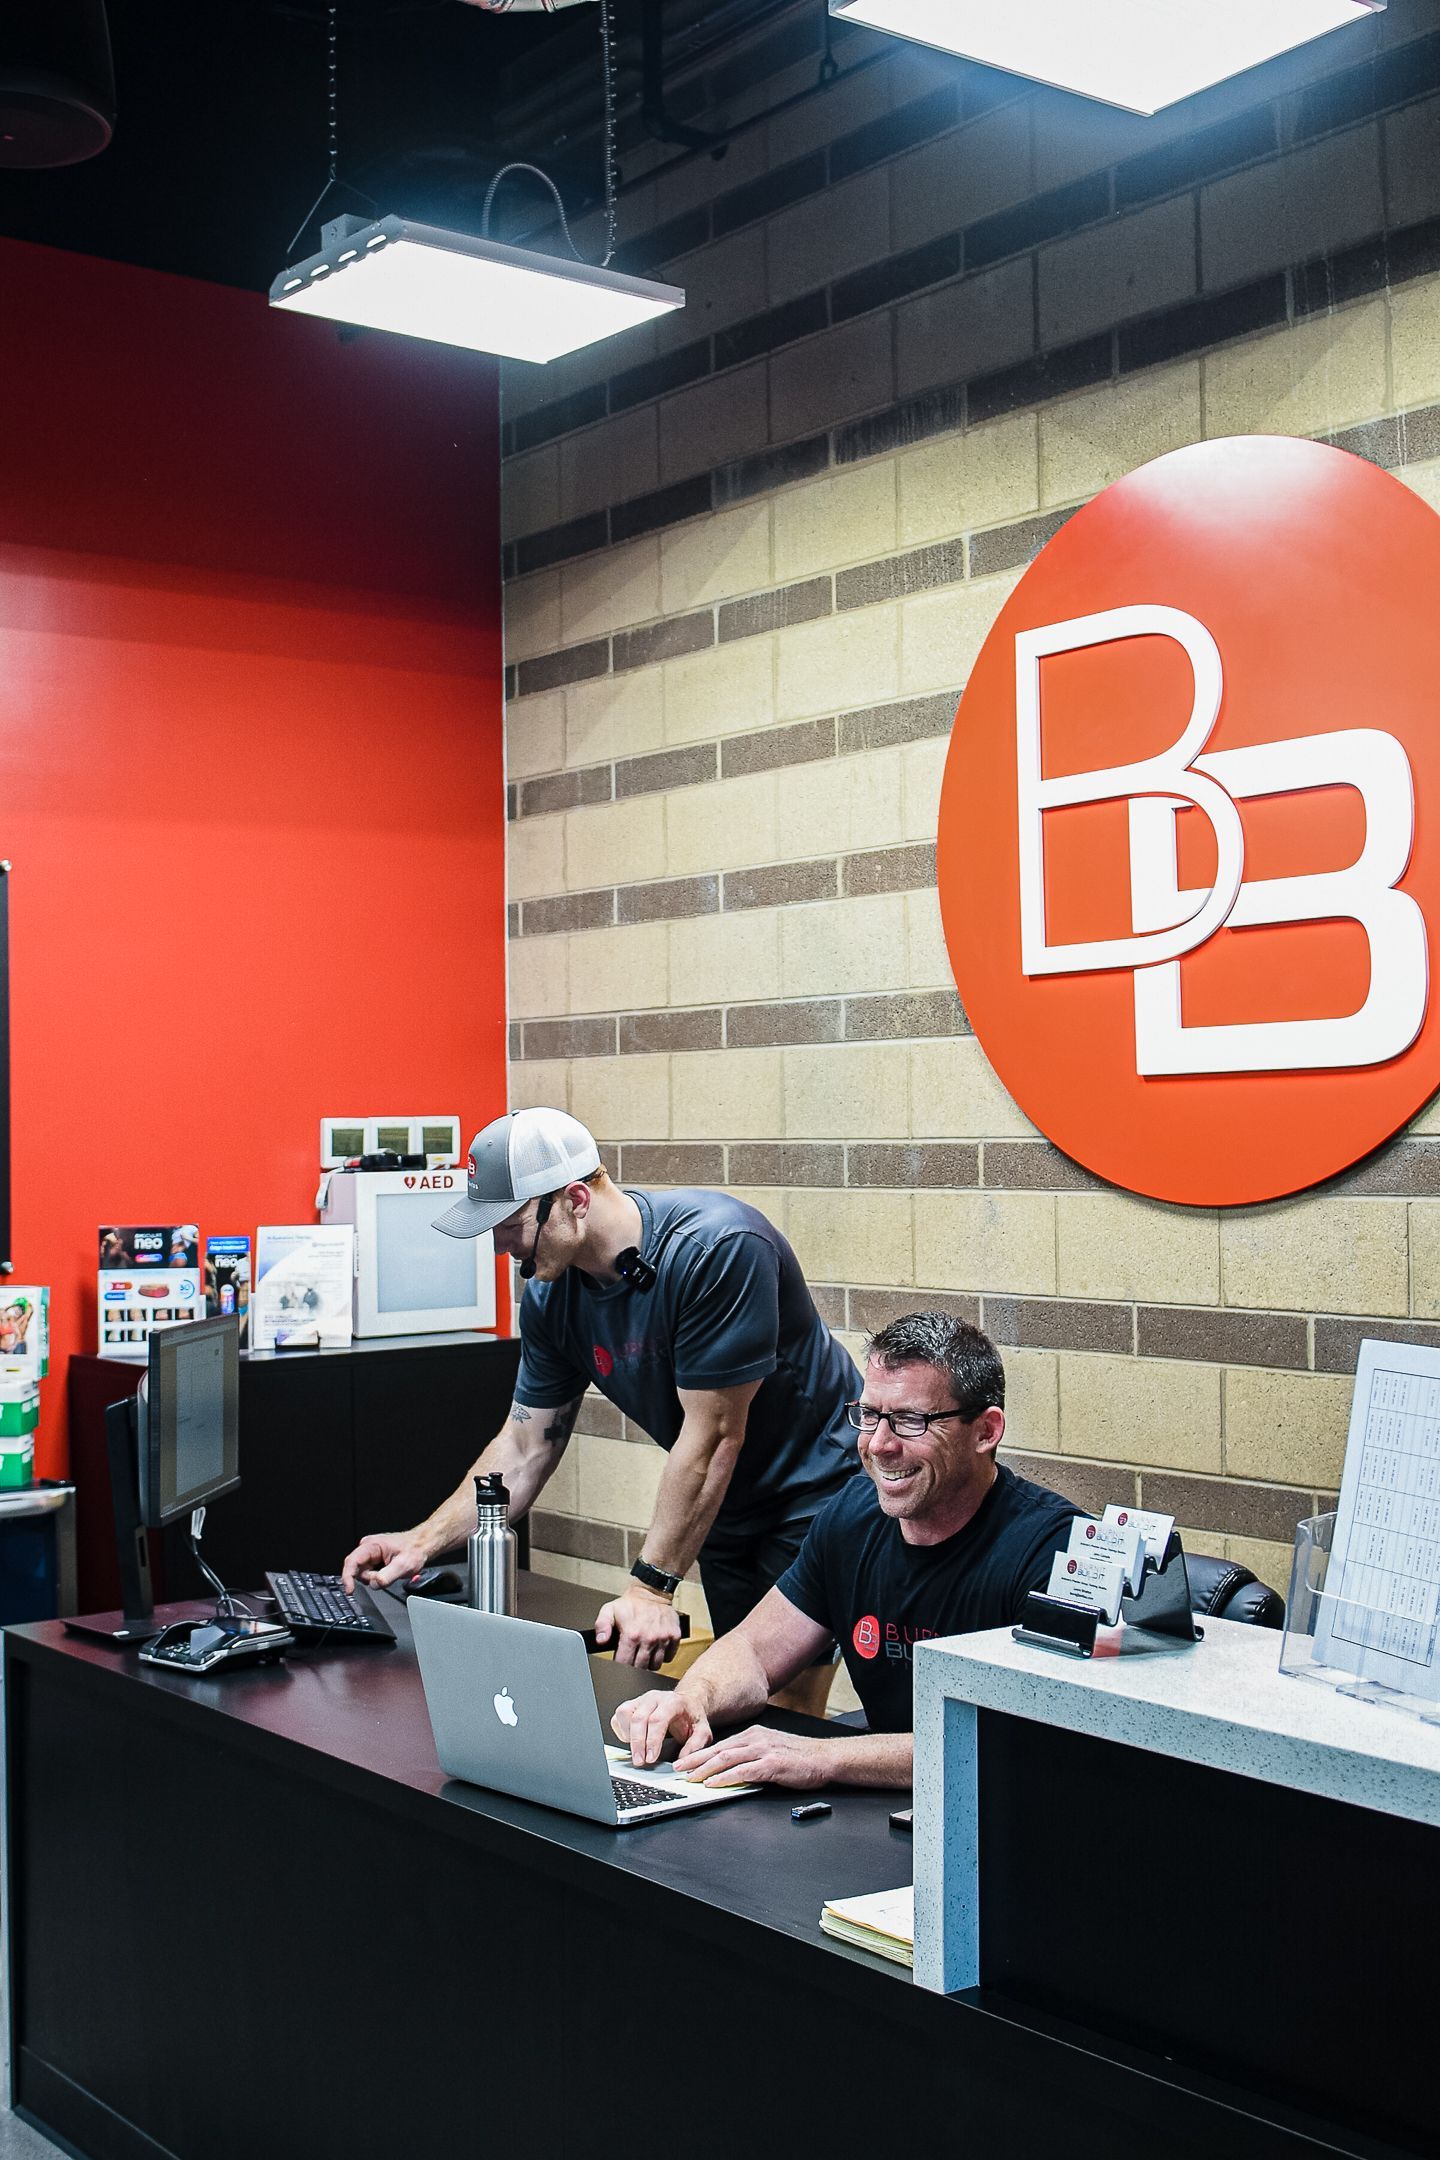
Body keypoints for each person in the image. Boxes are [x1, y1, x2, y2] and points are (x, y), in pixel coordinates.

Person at [341, 1107, 862, 1670]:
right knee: (745, 1694)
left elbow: (713, 1437)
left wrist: (650, 1588)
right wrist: (422, 1540)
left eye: (509, 1226)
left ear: (575, 1200)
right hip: (725, 1504)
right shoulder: (552, 1294)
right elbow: (524, 1447)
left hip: (816, 1490)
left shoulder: (718, 1248)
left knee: (779, 1692)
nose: (499, 1248)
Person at [611, 1312, 1078, 1790]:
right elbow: (753, 1650)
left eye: (910, 1421)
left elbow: (1015, 1740)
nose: (878, 1444)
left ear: (985, 1431)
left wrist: (823, 1757)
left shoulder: (1053, 1552)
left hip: (1005, 1817)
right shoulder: (851, 1517)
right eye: (870, 1415)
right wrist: (693, 1698)